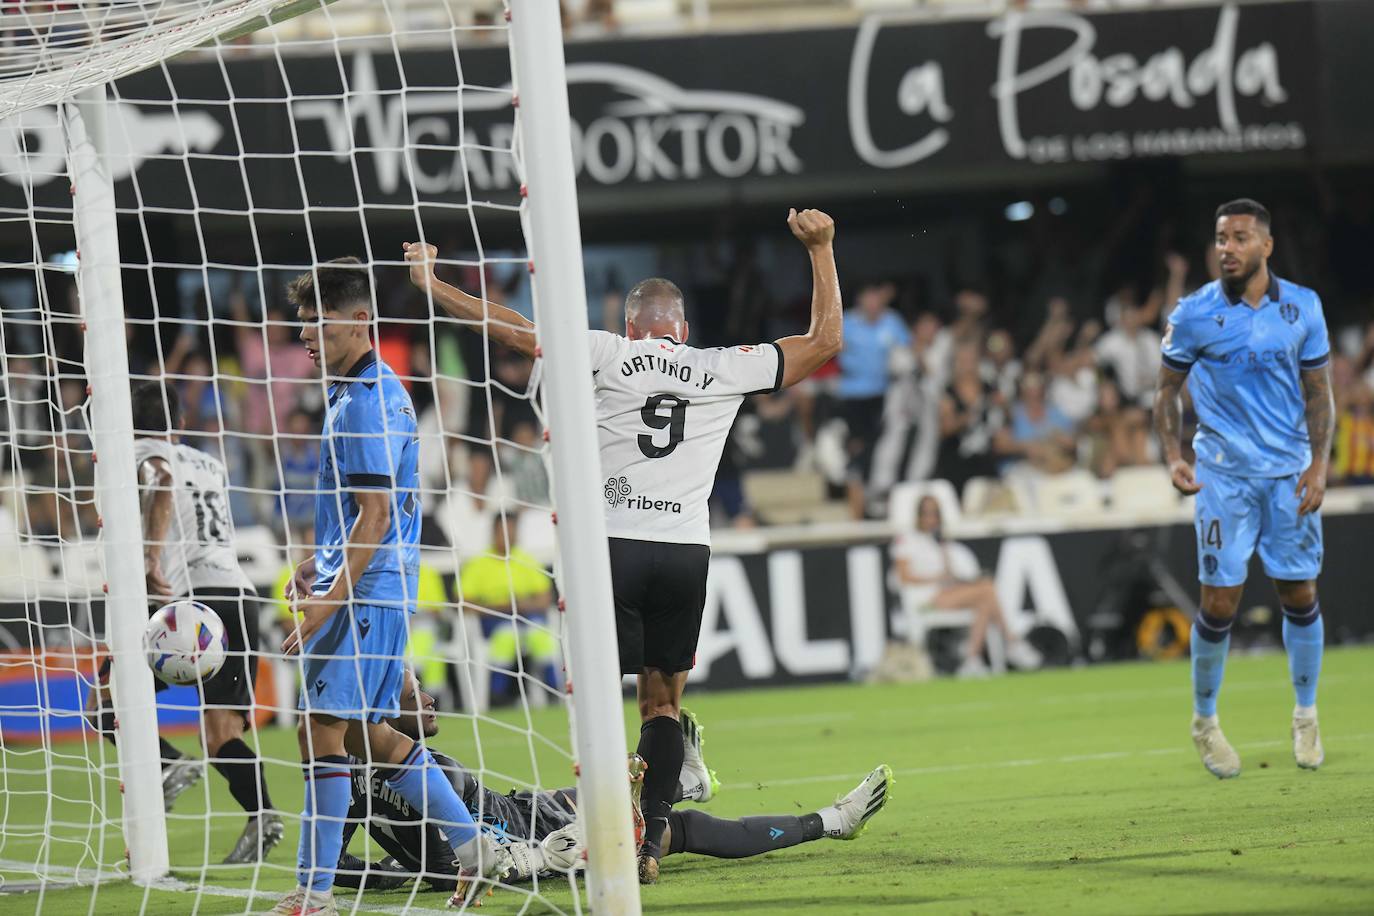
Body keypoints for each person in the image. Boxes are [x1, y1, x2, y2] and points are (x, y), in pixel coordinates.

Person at [404, 206, 843, 884]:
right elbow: (824, 341)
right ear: (682, 330)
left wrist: (434, 285)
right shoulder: (723, 365)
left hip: (610, 547)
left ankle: (601, 824)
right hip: (684, 551)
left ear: (633, 327)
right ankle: (650, 839)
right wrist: (821, 248)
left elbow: (512, 328)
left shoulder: (606, 352)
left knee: (597, 695)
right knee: (662, 705)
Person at [271, 258, 500, 916]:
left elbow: (374, 516)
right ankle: (475, 849)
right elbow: (365, 511)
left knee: (321, 730)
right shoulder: (361, 390)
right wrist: (320, 560)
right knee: (368, 738)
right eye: (302, 322)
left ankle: (314, 894)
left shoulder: (366, 404)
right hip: (369, 582)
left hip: (366, 591)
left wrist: (329, 598)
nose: (306, 334)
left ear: (359, 320)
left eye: (319, 322)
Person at [335, 670, 890, 891]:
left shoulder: (352, 775)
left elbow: (349, 863)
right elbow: (451, 865)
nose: (430, 697)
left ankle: (686, 780)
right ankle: (832, 821)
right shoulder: (428, 771)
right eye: (414, 694)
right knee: (678, 831)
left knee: (632, 783)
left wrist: (390, 873)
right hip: (544, 839)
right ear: (386, 712)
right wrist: (401, 873)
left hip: (529, 812)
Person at [1155, 199, 1333, 779]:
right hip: (1223, 477)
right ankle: (1204, 721)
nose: (1226, 248)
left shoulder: (1303, 306)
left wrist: (1319, 465)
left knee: (1299, 594)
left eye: (1238, 237)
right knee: (1218, 603)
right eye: (1220, 238)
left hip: (1288, 474)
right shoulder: (1194, 313)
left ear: (1266, 245)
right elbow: (1165, 391)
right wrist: (1173, 455)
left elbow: (1319, 393)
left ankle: (1306, 715)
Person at [87, 382, 282, 863]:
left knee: (103, 701)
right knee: (221, 733)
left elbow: (159, 478)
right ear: (180, 421)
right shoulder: (209, 462)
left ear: (130, 423)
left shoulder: (142, 451)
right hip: (238, 596)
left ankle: (168, 764)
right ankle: (263, 816)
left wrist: (150, 558)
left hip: (188, 604)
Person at [891, 496, 1042, 677]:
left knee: (985, 600)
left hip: (947, 592)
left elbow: (949, 574)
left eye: (936, 513)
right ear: (918, 515)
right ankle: (1011, 642)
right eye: (927, 513)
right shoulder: (907, 540)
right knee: (987, 589)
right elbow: (904, 577)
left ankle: (972, 660)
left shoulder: (939, 541)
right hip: (925, 599)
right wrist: (936, 578)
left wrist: (955, 577)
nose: (931, 518)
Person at [457, 512, 559, 705]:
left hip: (526, 615)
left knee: (540, 634)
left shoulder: (526, 559)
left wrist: (522, 605)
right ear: (493, 533)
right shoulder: (480, 563)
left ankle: (553, 690)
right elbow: (464, 601)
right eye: (503, 531)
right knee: (506, 635)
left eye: (512, 531)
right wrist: (499, 607)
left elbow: (545, 597)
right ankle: (498, 694)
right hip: (493, 619)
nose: (508, 536)